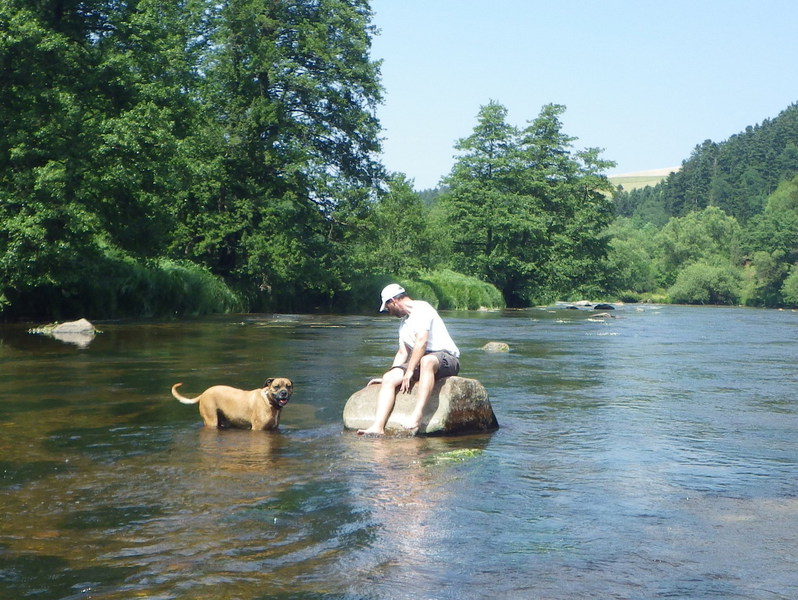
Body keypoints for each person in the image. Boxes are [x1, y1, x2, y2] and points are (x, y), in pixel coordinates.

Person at [357, 284, 460, 436]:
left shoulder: (422, 308)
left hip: (446, 358)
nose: (389, 312)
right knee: (389, 378)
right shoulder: (404, 323)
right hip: (422, 359)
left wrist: (410, 371)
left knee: (427, 361)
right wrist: (392, 374)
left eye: (387, 307)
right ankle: (378, 427)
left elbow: (422, 342)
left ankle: (417, 416)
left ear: (393, 301)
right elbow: (402, 352)